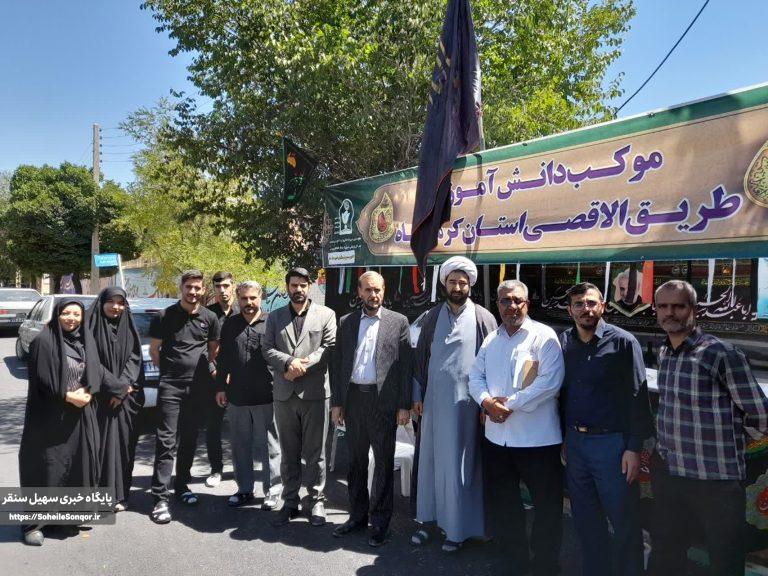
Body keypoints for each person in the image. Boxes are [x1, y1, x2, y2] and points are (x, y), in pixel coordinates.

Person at [648, 280, 768, 576]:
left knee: (724, 557)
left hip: (715, 480)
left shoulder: (720, 353)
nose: (670, 313)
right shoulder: (664, 351)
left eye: (678, 306)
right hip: (671, 473)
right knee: (667, 550)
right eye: (663, 306)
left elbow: (760, 413)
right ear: (656, 310)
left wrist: (732, 440)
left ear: (694, 309)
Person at [469, 280, 564, 575]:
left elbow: (550, 382)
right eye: (505, 301)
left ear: (527, 304)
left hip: (537, 441)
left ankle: (545, 564)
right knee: (505, 504)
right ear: (497, 304)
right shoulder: (491, 340)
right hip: (497, 440)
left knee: (547, 507)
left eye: (517, 300)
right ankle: (514, 560)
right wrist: (486, 402)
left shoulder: (544, 336)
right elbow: (475, 377)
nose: (512, 306)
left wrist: (508, 404)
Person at [558, 282, 652, 576]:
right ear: (570, 309)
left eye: (591, 303)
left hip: (612, 446)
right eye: (578, 304)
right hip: (575, 444)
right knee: (586, 520)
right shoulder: (564, 342)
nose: (585, 309)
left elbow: (638, 396)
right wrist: (564, 438)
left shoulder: (623, 342)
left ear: (603, 306)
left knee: (623, 520)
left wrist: (633, 447)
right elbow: (562, 392)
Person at [411, 256, 497, 552]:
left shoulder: (483, 317)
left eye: (462, 282)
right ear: (444, 284)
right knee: (430, 464)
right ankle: (427, 521)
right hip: (433, 405)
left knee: (460, 467)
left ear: (469, 285)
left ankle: (458, 530)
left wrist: (487, 405)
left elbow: (492, 364)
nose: (457, 287)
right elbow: (420, 359)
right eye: (452, 282)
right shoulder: (432, 316)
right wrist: (416, 395)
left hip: (466, 408)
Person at [330, 271, 412, 547]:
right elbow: (338, 363)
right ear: (359, 292)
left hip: (383, 403)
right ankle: (357, 517)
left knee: (384, 464)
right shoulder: (347, 322)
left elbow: (405, 367)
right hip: (354, 400)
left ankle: (380, 523)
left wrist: (404, 405)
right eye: (368, 290)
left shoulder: (398, 322)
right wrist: (337, 403)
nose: (373, 295)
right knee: (355, 463)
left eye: (377, 290)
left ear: (384, 290)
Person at [18, 299, 103, 546]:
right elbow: (41, 378)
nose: (71, 318)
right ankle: (34, 524)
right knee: (47, 467)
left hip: (80, 415)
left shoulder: (86, 340)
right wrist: (66, 396)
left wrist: (88, 391)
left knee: (76, 465)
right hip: (49, 416)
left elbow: (96, 370)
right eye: (66, 313)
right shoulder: (43, 342)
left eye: (76, 314)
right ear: (57, 314)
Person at [262, 267, 336, 526]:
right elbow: (267, 348)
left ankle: (316, 501)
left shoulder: (326, 314)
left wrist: (302, 365)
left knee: (316, 453)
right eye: (294, 285)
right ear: (287, 288)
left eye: (303, 285)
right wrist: (289, 363)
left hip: (315, 393)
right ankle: (290, 500)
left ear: (309, 286)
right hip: (285, 394)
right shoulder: (275, 317)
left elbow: (329, 347)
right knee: (289, 451)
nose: (298, 289)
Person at [149, 270, 221, 524]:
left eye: (197, 288)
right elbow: (154, 350)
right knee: (166, 441)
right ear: (181, 287)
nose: (193, 292)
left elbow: (213, 351)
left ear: (203, 290)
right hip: (170, 387)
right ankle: (160, 496)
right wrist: (171, 373)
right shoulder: (164, 316)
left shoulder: (210, 317)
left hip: (198, 389)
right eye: (189, 287)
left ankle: (181, 486)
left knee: (189, 438)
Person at [215, 280, 282, 510]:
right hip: (237, 397)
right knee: (240, 446)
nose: (249, 303)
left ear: (260, 297)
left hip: (268, 395)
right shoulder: (230, 324)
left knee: (270, 448)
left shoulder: (272, 322)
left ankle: (272, 491)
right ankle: (244, 489)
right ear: (238, 299)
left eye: (253, 298)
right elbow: (223, 359)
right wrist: (220, 387)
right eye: (244, 298)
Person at [87, 286, 144, 513]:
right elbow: (91, 362)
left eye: (120, 302)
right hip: (98, 398)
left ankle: (120, 495)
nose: (116, 307)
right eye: (111, 301)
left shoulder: (128, 327)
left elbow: (135, 358)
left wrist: (124, 388)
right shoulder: (89, 327)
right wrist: (115, 388)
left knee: (123, 447)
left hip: (124, 400)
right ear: (102, 302)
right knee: (98, 448)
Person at [204, 271, 239, 488]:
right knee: (213, 427)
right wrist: (214, 371)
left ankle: (241, 469)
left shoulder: (243, 310)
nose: (222, 290)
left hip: (241, 379)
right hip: (215, 379)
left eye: (226, 286)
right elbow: (202, 349)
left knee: (242, 428)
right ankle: (216, 469)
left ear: (233, 286)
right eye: (218, 287)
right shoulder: (208, 314)